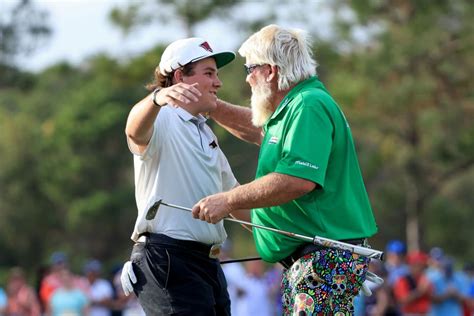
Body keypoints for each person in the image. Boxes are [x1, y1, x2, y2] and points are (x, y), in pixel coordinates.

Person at [191, 24, 378, 314]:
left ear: (270, 70)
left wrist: (227, 200)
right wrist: (211, 106)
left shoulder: (308, 105)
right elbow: (258, 130)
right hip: (311, 261)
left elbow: (297, 180)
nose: (248, 79)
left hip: (323, 259)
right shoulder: (293, 106)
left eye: (249, 69)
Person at [120, 37, 237, 315]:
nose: (217, 83)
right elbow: (133, 131)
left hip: (207, 264)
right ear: (179, 77)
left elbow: (236, 200)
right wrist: (156, 98)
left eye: (216, 74)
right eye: (209, 73)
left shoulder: (206, 133)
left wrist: (291, 250)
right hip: (168, 260)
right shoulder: (160, 118)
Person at [392, 251, 432, 315]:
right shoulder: (403, 280)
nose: (423, 268)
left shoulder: (425, 278)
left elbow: (432, 297)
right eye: (420, 265)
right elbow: (402, 300)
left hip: (425, 313)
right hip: (410, 313)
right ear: (412, 265)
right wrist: (419, 291)